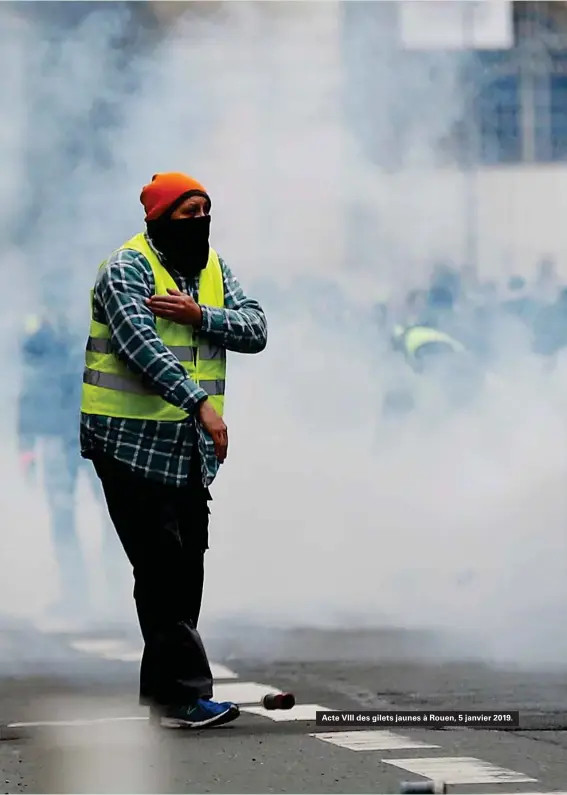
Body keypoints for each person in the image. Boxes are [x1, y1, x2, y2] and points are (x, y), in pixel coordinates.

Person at [80, 172, 268, 729]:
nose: (200, 222)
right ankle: (185, 695)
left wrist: (199, 316)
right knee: (161, 568)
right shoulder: (127, 269)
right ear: (159, 218)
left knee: (184, 572)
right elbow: (140, 346)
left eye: (205, 211)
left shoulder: (212, 269)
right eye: (188, 213)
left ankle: (162, 697)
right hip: (127, 441)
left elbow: (255, 327)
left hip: (185, 451)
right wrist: (201, 405)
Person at [18, 312, 124, 627]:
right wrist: (25, 446)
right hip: (68, 437)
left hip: (92, 435)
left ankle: (113, 591)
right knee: (75, 516)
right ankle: (81, 594)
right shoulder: (44, 337)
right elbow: (30, 390)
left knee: (111, 514)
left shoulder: (86, 329)